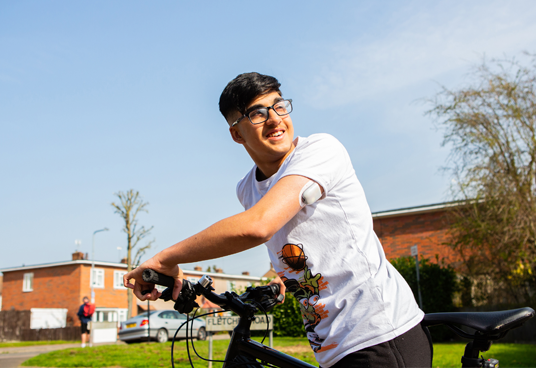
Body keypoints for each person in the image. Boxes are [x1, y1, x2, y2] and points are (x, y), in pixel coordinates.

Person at [124, 72, 432, 367]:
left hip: (378, 333)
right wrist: (279, 279)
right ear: (236, 133)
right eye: (257, 113)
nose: (275, 118)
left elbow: (259, 226)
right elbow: (293, 240)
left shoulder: (321, 150)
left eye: (279, 105)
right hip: (334, 345)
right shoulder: (247, 189)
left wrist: (165, 258)